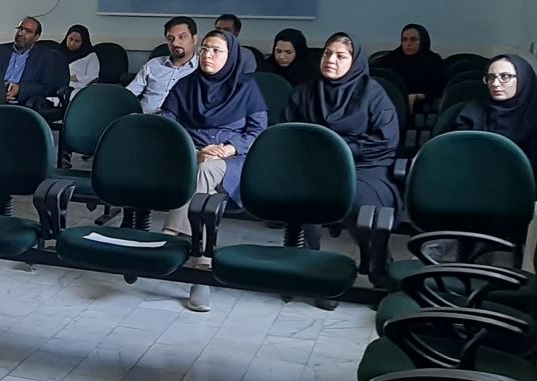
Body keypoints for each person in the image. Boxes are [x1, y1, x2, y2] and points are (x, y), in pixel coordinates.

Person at [160, 30, 268, 312]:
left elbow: (259, 131)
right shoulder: (186, 85)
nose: (208, 55)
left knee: (206, 170)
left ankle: (171, 235)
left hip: (234, 159)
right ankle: (202, 268)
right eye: (205, 49)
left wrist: (229, 148)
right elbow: (167, 122)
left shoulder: (246, 88)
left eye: (216, 50)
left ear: (231, 56)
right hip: (191, 153)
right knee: (203, 182)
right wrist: (193, 150)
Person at [284, 35, 401, 285]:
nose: (331, 60)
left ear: (355, 61)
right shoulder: (304, 93)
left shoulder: (373, 94)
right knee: (303, 197)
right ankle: (311, 271)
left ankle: (379, 264)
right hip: (315, 165)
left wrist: (341, 150)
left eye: (340, 56)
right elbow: (288, 133)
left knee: (361, 203)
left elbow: (385, 141)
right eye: (327, 53)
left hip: (363, 167)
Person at [453, 54, 537, 265]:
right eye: (490, 78)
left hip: (526, 188)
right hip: (476, 182)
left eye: (505, 77)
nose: (496, 83)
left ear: (523, 79)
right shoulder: (473, 111)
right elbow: (456, 153)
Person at [0, 17, 69, 111]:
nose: (21, 33)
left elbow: (48, 87)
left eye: (28, 31)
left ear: (36, 37)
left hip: (24, 103)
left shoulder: (45, 56)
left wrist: (20, 89)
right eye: (20, 29)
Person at [128, 17, 199, 113]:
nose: (175, 43)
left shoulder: (203, 67)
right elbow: (129, 93)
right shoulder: (153, 65)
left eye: (181, 37)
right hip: (144, 118)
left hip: (178, 121)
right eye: (170, 39)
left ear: (194, 39)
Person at [376, 23, 446, 108]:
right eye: (404, 39)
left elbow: (439, 88)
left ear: (423, 41)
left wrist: (419, 96)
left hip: (424, 108)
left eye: (413, 39)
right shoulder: (391, 59)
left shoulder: (434, 61)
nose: (408, 44)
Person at [61, 24, 99, 97]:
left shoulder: (91, 56)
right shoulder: (58, 52)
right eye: (70, 39)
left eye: (77, 41)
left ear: (83, 42)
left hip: (78, 90)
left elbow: (94, 78)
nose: (72, 43)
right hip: (57, 89)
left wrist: (77, 78)